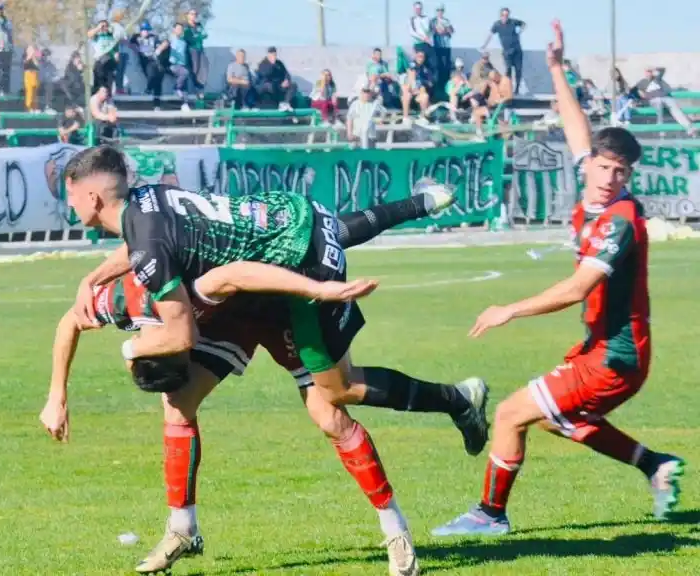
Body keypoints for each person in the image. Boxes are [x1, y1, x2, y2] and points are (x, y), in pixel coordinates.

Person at [61, 149, 488, 575]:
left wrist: (130, 350)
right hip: (270, 248)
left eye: (72, 195)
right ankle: (183, 528)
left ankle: (412, 495)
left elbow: (201, 310)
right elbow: (149, 250)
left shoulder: (167, 272)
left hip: (300, 265)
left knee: (331, 402)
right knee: (178, 403)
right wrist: (91, 278)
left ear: (94, 197)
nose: (69, 205)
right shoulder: (145, 207)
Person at [432, 20, 684, 539]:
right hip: (601, 348)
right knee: (553, 419)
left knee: (508, 414)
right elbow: (575, 126)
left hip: (616, 356)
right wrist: (554, 68)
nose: (612, 178)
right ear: (591, 163)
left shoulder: (620, 220)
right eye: (606, 166)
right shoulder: (591, 184)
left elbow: (576, 290)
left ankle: (489, 515)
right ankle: (654, 464)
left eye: (622, 172)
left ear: (628, 177)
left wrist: (509, 309)